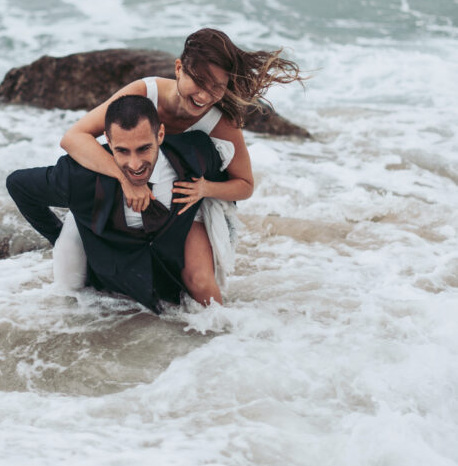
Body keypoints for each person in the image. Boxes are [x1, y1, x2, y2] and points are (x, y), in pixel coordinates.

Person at [58, 28, 304, 304]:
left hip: (186, 203)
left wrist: (204, 188)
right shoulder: (144, 93)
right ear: (179, 69)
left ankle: (226, 340)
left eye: (217, 87)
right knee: (72, 277)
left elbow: (245, 186)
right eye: (198, 81)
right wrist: (126, 181)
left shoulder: (220, 123)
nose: (204, 95)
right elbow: (73, 137)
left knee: (199, 283)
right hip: (121, 187)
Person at [6, 95, 228, 314]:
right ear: (108, 141)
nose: (134, 164)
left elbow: (234, 183)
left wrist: (206, 195)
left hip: (168, 277)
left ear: (160, 134)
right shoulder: (78, 177)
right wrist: (56, 235)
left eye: (143, 148)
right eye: (122, 150)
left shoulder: (194, 155)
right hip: (110, 287)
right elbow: (18, 185)